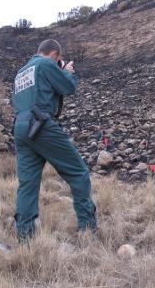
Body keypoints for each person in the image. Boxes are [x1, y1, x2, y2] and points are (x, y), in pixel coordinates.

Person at [11, 39, 97, 241]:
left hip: (20, 128)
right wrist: (67, 71)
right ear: (54, 54)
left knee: (27, 184)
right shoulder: (45, 63)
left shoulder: (21, 72)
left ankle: (25, 237)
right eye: (58, 59)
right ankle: (88, 230)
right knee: (79, 173)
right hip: (40, 125)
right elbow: (67, 87)